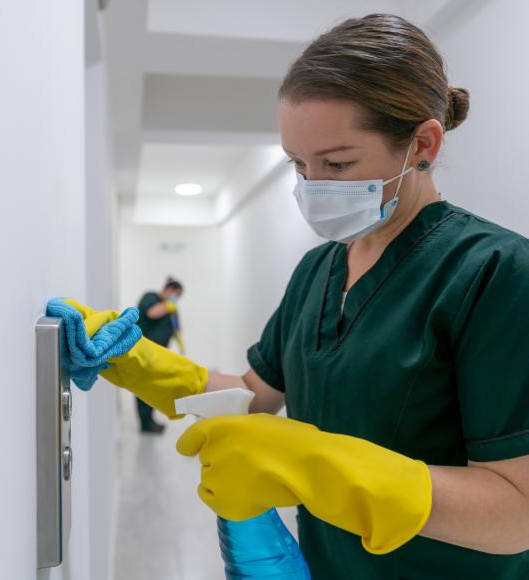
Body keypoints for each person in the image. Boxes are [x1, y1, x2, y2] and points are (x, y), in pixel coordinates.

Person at [69, 13, 529, 579]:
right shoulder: (318, 270)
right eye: (297, 164)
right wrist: (133, 359)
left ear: (423, 145)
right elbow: (255, 394)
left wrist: (316, 465)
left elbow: (517, 511)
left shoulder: (494, 272)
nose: (312, 186)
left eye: (337, 163)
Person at [135, 277, 185, 433]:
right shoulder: (150, 297)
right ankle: (145, 424)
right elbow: (151, 313)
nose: (175, 299)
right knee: (143, 387)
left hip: (157, 354)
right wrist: (169, 305)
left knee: (153, 388)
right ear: (168, 289)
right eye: (175, 295)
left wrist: (180, 343)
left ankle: (150, 420)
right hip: (144, 352)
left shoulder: (170, 308)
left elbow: (175, 327)